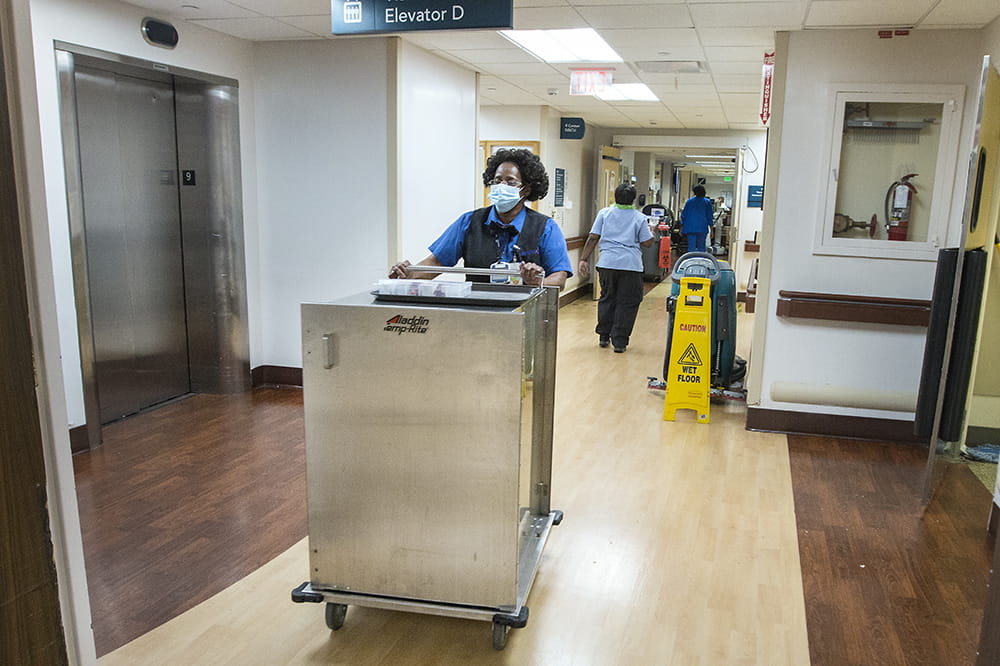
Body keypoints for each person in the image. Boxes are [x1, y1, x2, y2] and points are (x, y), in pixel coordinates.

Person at [388, 149, 572, 289]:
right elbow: (436, 262)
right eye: (497, 180)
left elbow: (559, 278)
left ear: (527, 189)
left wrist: (536, 281)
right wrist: (408, 274)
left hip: (527, 313)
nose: (501, 186)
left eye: (510, 181)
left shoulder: (545, 227)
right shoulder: (470, 222)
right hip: (479, 313)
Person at [577, 184, 654, 353]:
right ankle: (619, 341)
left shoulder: (604, 213)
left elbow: (592, 238)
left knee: (607, 298)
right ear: (633, 199)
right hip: (630, 265)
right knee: (628, 302)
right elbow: (647, 243)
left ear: (615, 197)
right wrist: (652, 231)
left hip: (607, 264)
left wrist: (583, 259)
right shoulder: (639, 217)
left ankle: (604, 336)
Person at [680, 184, 714, 253]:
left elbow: (684, 215)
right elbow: (709, 216)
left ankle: (690, 262)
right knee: (701, 248)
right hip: (702, 228)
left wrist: (681, 228)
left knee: (691, 249)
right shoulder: (707, 202)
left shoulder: (689, 201)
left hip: (690, 227)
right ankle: (700, 262)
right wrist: (712, 230)